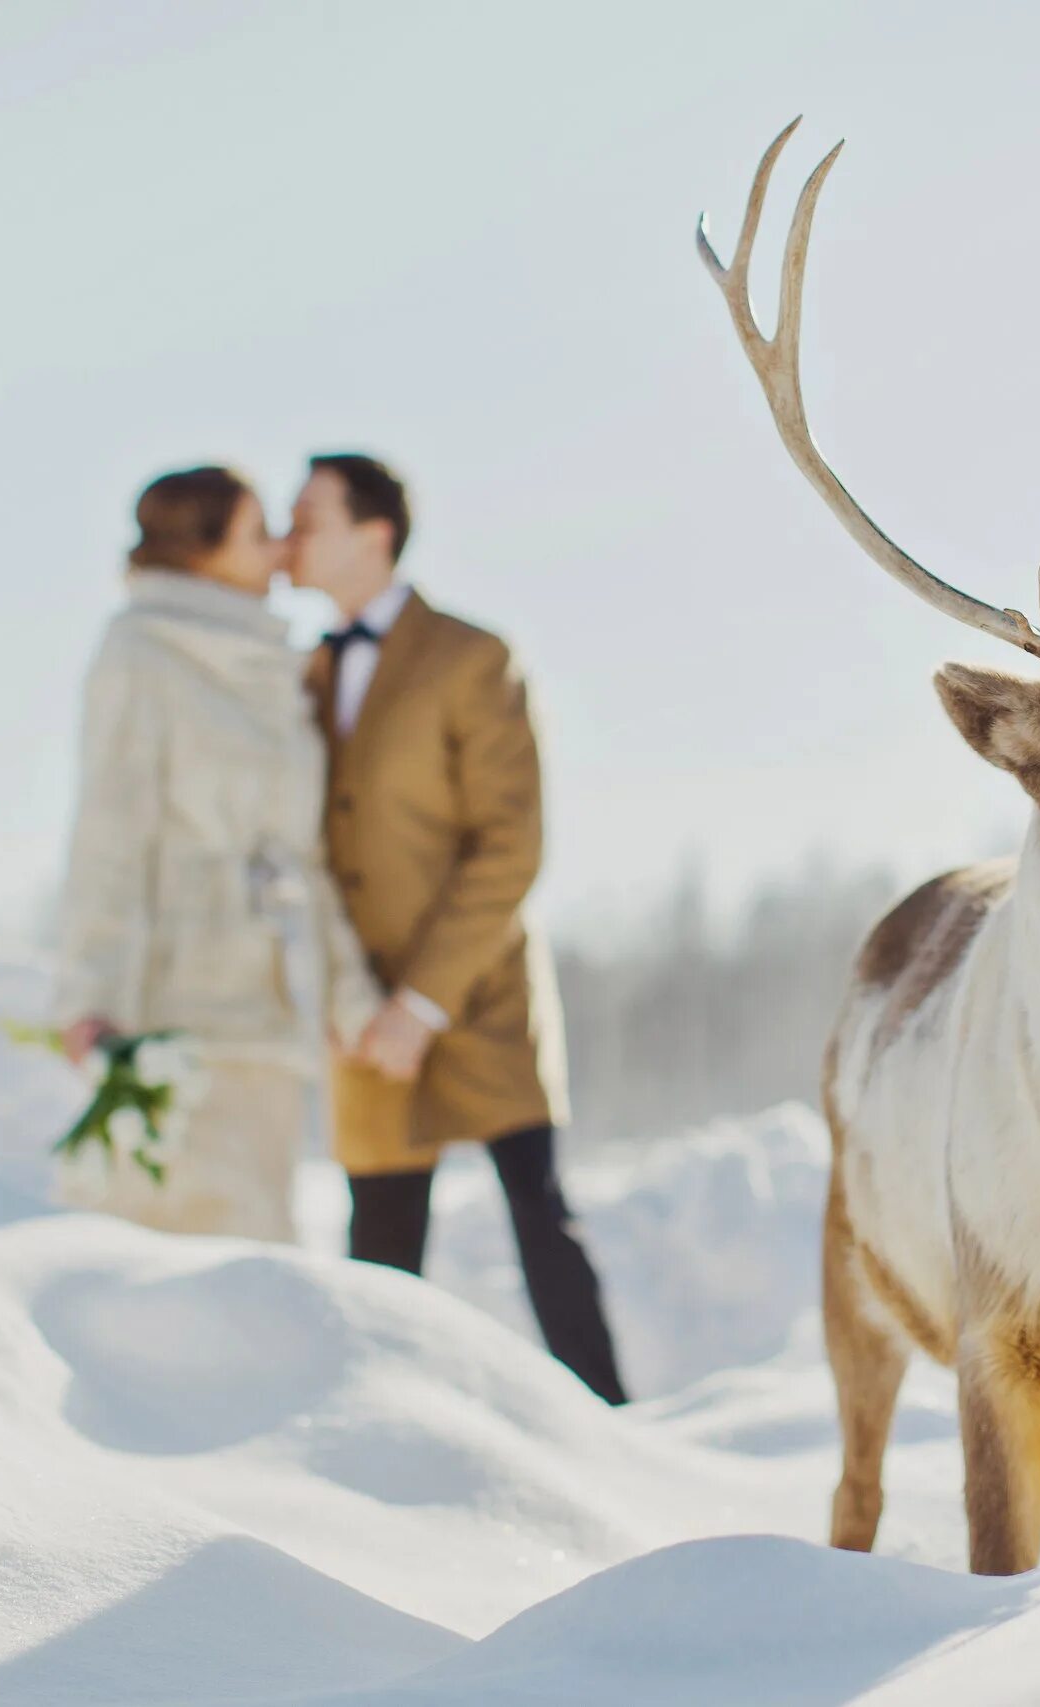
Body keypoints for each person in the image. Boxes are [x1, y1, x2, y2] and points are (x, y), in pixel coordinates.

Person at [289, 451, 628, 1405]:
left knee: (540, 1220)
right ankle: (379, 1441)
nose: (289, 533)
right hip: (360, 1001)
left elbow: (510, 843)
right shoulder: (303, 674)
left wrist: (424, 1002)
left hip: (476, 992)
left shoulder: (473, 657)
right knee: (380, 1246)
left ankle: (618, 1433)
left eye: (307, 515)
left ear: (373, 533)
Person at [50, 465, 385, 1241]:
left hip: (269, 1000)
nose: (278, 549)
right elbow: (110, 829)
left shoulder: (278, 664)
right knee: (188, 1261)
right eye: (257, 533)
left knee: (263, 1246)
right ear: (201, 555)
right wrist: (89, 997)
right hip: (176, 1011)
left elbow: (302, 852)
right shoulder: (141, 652)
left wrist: (350, 995)